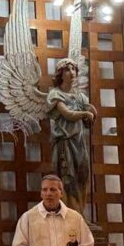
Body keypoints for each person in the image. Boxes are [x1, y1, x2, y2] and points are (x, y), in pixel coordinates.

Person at [47, 59, 96, 214]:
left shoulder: (80, 97)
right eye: (68, 70)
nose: (72, 73)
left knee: (82, 175)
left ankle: (79, 213)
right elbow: (68, 114)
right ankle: (67, 213)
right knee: (68, 179)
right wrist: (85, 113)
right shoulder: (55, 94)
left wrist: (92, 113)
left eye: (74, 69)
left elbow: (89, 118)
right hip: (65, 143)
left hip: (79, 143)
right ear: (61, 74)